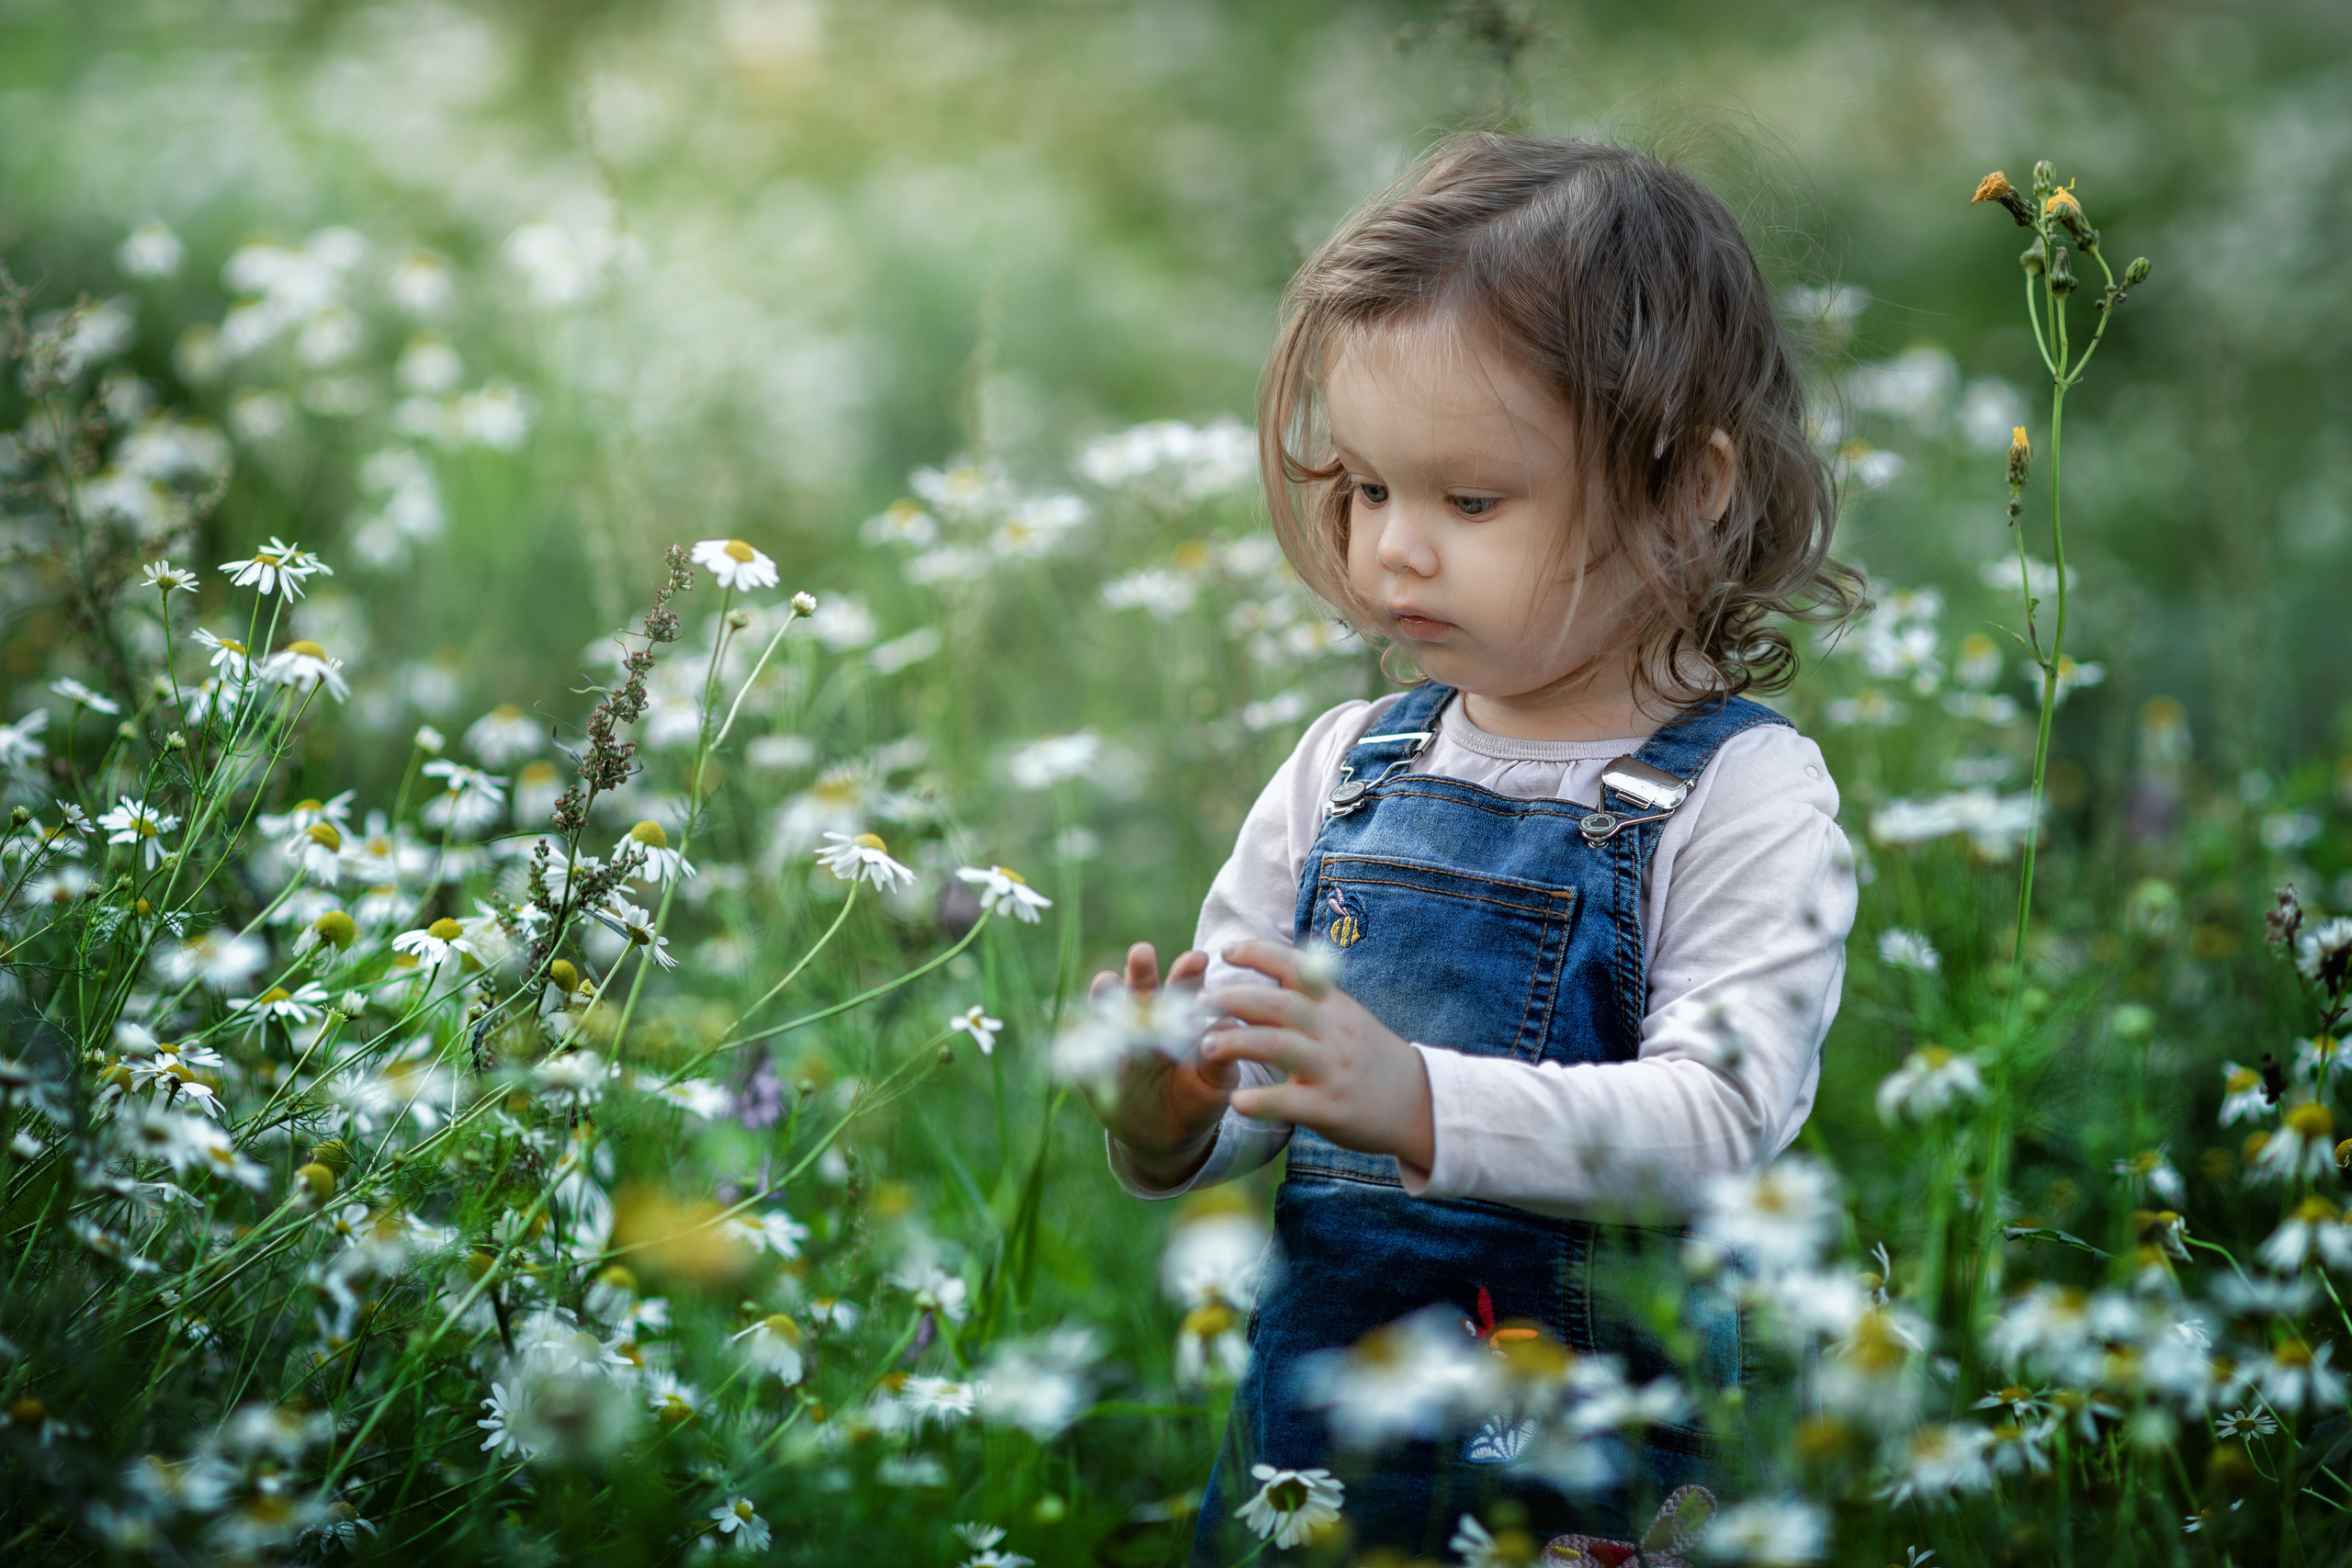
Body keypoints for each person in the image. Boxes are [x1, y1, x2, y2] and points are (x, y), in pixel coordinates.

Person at [1080, 132, 1864, 1561]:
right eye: (1370, 490)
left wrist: (1423, 1099)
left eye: (1471, 501)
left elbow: (1721, 1125)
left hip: (1581, 1487)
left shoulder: (1742, 796)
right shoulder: (1345, 766)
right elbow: (1268, 1084)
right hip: (1312, 1471)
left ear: (1688, 489)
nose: (1394, 552)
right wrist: (1176, 1113)